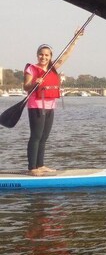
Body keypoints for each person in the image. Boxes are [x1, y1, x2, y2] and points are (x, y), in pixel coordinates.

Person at [23, 35, 83, 176]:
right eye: (41, 55)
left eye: (46, 55)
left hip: (50, 105)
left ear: (50, 56)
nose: (43, 57)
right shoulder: (31, 69)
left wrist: (76, 39)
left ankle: (40, 165)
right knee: (36, 136)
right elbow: (26, 87)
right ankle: (32, 168)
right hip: (36, 105)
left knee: (44, 137)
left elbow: (66, 55)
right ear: (37, 55)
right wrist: (34, 82)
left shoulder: (53, 68)